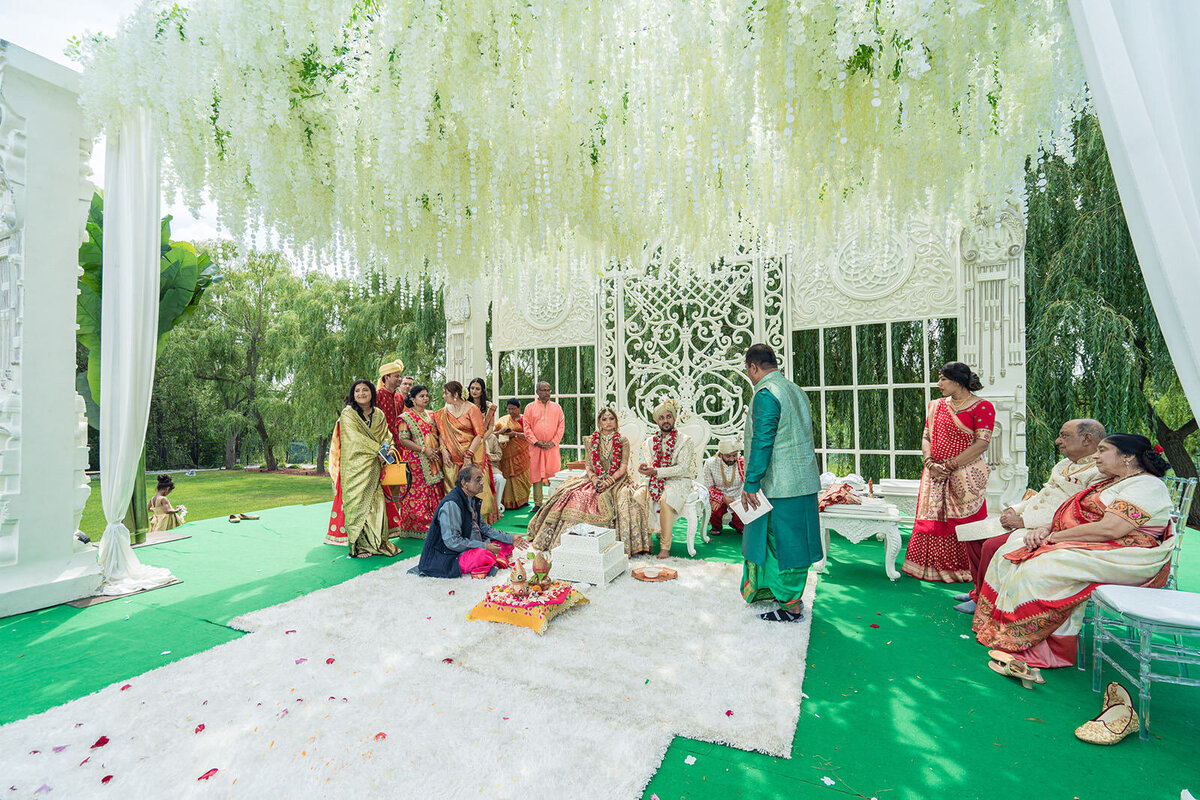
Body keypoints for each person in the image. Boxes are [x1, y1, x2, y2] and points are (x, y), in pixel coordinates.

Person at [973, 434, 1175, 669]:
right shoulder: (1113, 481)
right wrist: (1045, 528)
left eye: (1103, 450)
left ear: (1128, 456)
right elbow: (1073, 513)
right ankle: (1006, 631)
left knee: (1039, 568)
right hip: (1102, 545)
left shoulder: (1146, 485)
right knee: (1015, 552)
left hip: (1126, 554)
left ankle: (1044, 648)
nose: (1096, 456)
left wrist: (1054, 538)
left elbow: (1111, 529)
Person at [952, 419, 1105, 613]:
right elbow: (1044, 494)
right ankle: (979, 591)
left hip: (1045, 528)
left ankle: (986, 601)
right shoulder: (1065, 464)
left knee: (991, 545)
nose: (1058, 441)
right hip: (1026, 518)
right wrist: (1015, 509)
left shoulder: (1099, 471)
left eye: (1064, 435)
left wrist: (1023, 521)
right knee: (971, 534)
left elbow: (1076, 512)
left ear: (1087, 439)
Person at [738, 344, 823, 622]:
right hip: (803, 481)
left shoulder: (765, 393)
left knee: (781, 544)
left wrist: (751, 481)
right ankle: (785, 595)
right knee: (795, 542)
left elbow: (763, 441)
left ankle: (791, 606)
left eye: (748, 370)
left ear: (753, 367)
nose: (749, 376)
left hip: (779, 485)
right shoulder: (794, 390)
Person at [901, 361, 995, 583]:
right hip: (934, 473)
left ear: (958, 381)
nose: (939, 383)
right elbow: (926, 437)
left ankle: (967, 569)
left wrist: (950, 466)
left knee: (967, 523)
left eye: (943, 378)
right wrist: (931, 463)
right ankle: (929, 567)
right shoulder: (935, 405)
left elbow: (982, 444)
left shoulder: (982, 407)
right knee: (932, 521)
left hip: (965, 474)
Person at [528, 408, 653, 556]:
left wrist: (608, 482)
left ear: (616, 421)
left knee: (624, 502)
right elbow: (588, 465)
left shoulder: (622, 440)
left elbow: (623, 467)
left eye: (611, 419)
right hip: (593, 479)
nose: (608, 422)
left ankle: (611, 546)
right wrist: (595, 480)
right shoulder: (590, 440)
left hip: (618, 481)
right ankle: (570, 544)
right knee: (574, 495)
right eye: (604, 419)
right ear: (599, 422)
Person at [324, 379, 403, 558]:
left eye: (365, 390)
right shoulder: (348, 414)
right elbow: (354, 439)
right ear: (353, 395)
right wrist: (379, 450)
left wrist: (389, 448)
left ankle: (376, 542)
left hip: (375, 466)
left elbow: (386, 436)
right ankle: (358, 547)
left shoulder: (379, 415)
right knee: (357, 505)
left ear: (372, 393)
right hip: (355, 467)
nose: (361, 393)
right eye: (357, 391)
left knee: (376, 505)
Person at [412, 464, 529, 578]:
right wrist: (484, 546)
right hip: (449, 556)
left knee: (505, 544)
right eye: (478, 480)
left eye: (481, 479)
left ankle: (490, 560)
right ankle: (485, 564)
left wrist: (510, 538)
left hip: (471, 543)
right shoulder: (452, 504)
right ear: (464, 483)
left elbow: (484, 528)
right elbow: (452, 542)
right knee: (484, 555)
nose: (482, 483)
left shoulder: (470, 499)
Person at [637, 398, 699, 559]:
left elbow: (682, 468)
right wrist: (643, 469)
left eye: (668, 416)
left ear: (674, 418)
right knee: (638, 497)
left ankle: (665, 547)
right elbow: (648, 464)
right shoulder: (649, 443)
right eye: (662, 418)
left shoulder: (685, 441)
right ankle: (646, 541)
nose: (665, 421)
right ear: (657, 421)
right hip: (655, 478)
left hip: (679, 480)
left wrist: (656, 472)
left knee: (666, 498)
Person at [434, 381, 501, 524]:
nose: (443, 396)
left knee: (475, 486)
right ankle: (455, 521)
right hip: (451, 457)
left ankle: (477, 522)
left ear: (456, 394)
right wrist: (444, 451)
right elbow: (441, 434)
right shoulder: (443, 413)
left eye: (446, 393)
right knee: (452, 487)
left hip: (472, 455)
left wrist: (468, 456)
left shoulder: (472, 409)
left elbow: (480, 434)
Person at [393, 384, 446, 538]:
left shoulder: (431, 415)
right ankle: (416, 528)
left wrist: (437, 449)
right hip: (416, 462)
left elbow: (438, 434)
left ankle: (435, 524)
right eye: (421, 396)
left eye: (426, 395)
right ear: (413, 399)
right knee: (417, 493)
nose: (425, 398)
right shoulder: (405, 418)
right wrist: (424, 450)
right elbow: (403, 440)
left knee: (435, 490)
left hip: (434, 459)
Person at [523, 382, 565, 510]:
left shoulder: (557, 408)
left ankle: (554, 502)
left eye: (548, 390)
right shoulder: (530, 408)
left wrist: (553, 442)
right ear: (537, 392)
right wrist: (536, 441)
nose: (547, 393)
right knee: (536, 475)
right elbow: (526, 427)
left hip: (552, 447)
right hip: (536, 447)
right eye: (543, 390)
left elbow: (561, 426)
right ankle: (537, 504)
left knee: (554, 473)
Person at [701, 438, 746, 536]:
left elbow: (748, 483)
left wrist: (740, 499)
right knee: (715, 506)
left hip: (738, 496)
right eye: (728, 456)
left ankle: (737, 523)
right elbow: (709, 487)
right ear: (721, 454)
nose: (732, 459)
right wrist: (723, 498)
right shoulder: (710, 463)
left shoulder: (743, 463)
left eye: (734, 455)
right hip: (719, 497)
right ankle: (716, 525)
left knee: (742, 525)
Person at [494, 399, 532, 510]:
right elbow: (493, 434)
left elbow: (530, 435)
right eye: (509, 409)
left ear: (519, 408)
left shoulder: (525, 420)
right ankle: (506, 502)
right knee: (507, 476)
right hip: (506, 453)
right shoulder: (503, 420)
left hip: (522, 452)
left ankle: (523, 501)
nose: (511, 411)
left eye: (513, 409)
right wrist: (501, 432)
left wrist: (515, 434)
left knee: (521, 477)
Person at [375, 358, 405, 442]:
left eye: (400, 376)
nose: (400, 379)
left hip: (399, 441)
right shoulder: (377, 395)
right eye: (397, 376)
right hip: (383, 441)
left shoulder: (400, 397)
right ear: (387, 377)